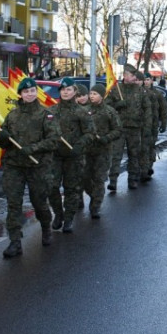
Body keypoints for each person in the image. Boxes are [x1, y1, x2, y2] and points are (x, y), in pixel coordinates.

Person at [0, 77, 62, 257]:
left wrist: (33, 148)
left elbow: (53, 140)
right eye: (26, 92)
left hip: (38, 166)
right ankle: (15, 241)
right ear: (20, 94)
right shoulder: (12, 115)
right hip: (14, 166)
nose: (29, 94)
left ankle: (46, 228)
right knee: (13, 204)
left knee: (39, 202)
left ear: (36, 92)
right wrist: (2, 138)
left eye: (32, 90)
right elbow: (3, 142)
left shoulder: (46, 114)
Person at [53, 77, 94, 234]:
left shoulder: (82, 112)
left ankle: (69, 218)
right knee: (51, 187)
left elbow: (90, 133)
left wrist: (79, 145)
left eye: (69, 89)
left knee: (72, 188)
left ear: (75, 92)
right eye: (63, 89)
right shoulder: (51, 111)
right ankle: (58, 214)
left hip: (74, 157)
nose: (65, 91)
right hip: (55, 156)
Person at [82, 84, 121, 220]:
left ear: (102, 95)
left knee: (99, 179)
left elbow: (117, 130)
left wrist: (105, 138)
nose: (91, 96)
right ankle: (95, 195)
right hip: (86, 151)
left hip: (102, 151)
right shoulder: (84, 110)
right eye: (90, 93)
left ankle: (95, 207)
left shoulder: (109, 111)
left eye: (95, 94)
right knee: (85, 178)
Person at [108, 65, 150, 190]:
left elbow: (147, 108)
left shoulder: (140, 90)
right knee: (116, 155)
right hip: (119, 128)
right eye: (131, 75)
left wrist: (147, 126)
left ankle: (132, 179)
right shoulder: (116, 89)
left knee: (134, 154)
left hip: (135, 127)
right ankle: (113, 181)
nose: (133, 78)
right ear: (125, 75)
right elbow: (107, 106)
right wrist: (117, 104)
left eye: (134, 76)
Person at [142, 73, 167, 177]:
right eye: (144, 80)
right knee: (142, 147)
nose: (146, 82)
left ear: (151, 81)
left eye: (147, 79)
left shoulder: (157, 94)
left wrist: (164, 124)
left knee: (150, 145)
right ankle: (142, 168)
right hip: (141, 125)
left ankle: (149, 166)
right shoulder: (139, 93)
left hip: (153, 124)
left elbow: (163, 109)